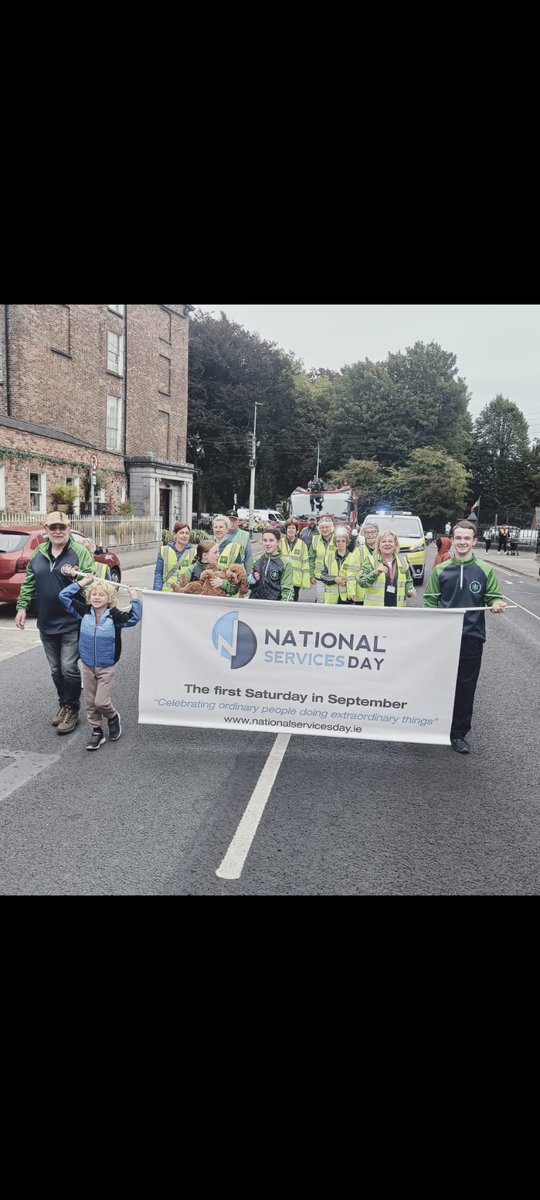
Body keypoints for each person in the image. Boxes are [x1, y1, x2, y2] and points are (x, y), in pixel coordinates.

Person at [423, 520, 506, 754]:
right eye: (458, 538)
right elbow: (430, 601)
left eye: (466, 538)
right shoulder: (441, 569)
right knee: (438, 683)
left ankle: (458, 734)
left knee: (465, 686)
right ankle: (432, 726)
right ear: (453, 539)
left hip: (471, 637)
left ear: (474, 541)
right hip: (443, 638)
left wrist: (496, 603)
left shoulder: (484, 569)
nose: (462, 542)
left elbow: (493, 597)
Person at [14, 512, 95, 734]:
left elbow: (92, 579)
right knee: (56, 669)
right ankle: (64, 704)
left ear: (69, 527)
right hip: (46, 621)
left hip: (71, 620)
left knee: (69, 668)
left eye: (62, 527)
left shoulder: (79, 552)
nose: (58, 531)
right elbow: (29, 582)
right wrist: (21, 607)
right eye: (53, 527)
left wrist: (77, 576)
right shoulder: (38, 554)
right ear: (46, 529)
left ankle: (72, 709)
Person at [58, 574, 141, 750]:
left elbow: (134, 618)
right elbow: (63, 596)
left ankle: (112, 717)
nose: (96, 597)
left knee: (101, 702)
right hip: (87, 665)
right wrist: (83, 582)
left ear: (109, 598)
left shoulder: (114, 616)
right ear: (89, 596)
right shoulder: (83, 611)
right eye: (94, 594)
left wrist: (134, 597)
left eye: (101, 595)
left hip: (106, 666)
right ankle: (96, 731)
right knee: (90, 702)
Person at [358, 530, 417, 607]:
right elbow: (362, 582)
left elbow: (408, 582)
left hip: (397, 610)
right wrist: (375, 573)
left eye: (390, 541)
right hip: (375, 611)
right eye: (383, 541)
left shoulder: (403, 561)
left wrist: (410, 591)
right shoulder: (370, 560)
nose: (387, 544)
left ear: (395, 545)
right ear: (379, 546)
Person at [248, 528, 294, 600]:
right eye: (265, 540)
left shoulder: (285, 563)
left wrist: (284, 608)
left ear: (278, 542)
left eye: (271, 540)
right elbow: (245, 584)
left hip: (274, 606)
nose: (267, 543)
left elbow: (287, 590)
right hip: (255, 604)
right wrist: (250, 579)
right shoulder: (256, 559)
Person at [319, 526, 360, 604]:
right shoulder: (328, 558)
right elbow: (322, 576)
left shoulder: (353, 557)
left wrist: (347, 581)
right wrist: (334, 579)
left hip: (347, 598)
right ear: (335, 543)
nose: (340, 543)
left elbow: (357, 577)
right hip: (331, 599)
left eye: (343, 541)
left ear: (347, 543)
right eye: (338, 541)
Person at [153, 521, 196, 592]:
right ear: (175, 535)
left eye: (187, 533)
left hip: (185, 593)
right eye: (181, 533)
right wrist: (156, 592)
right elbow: (159, 573)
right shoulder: (164, 550)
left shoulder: (194, 552)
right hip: (167, 593)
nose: (185, 536)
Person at [279, 519, 310, 600]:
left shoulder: (302, 545)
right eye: (289, 528)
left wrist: (305, 582)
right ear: (285, 530)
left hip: (296, 581)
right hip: (282, 579)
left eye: (293, 528)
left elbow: (305, 564)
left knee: (293, 603)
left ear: (297, 530)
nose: (291, 530)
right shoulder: (279, 543)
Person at [211, 515, 242, 594]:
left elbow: (238, 576)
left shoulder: (234, 548)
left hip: (228, 594)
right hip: (210, 592)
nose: (218, 530)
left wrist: (223, 583)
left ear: (227, 529)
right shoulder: (208, 546)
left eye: (221, 527)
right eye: (216, 527)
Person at [311, 517, 335, 602]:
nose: (324, 530)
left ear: (331, 528)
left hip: (333, 576)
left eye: (327, 527)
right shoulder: (315, 539)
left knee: (331, 601)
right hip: (319, 576)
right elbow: (312, 558)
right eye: (322, 528)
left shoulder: (337, 539)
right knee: (320, 600)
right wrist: (311, 575)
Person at [355, 521, 379, 604]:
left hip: (379, 595)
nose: (369, 535)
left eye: (372, 532)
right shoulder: (358, 551)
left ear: (377, 534)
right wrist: (351, 592)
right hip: (362, 594)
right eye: (367, 532)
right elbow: (351, 573)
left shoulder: (384, 550)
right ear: (364, 535)